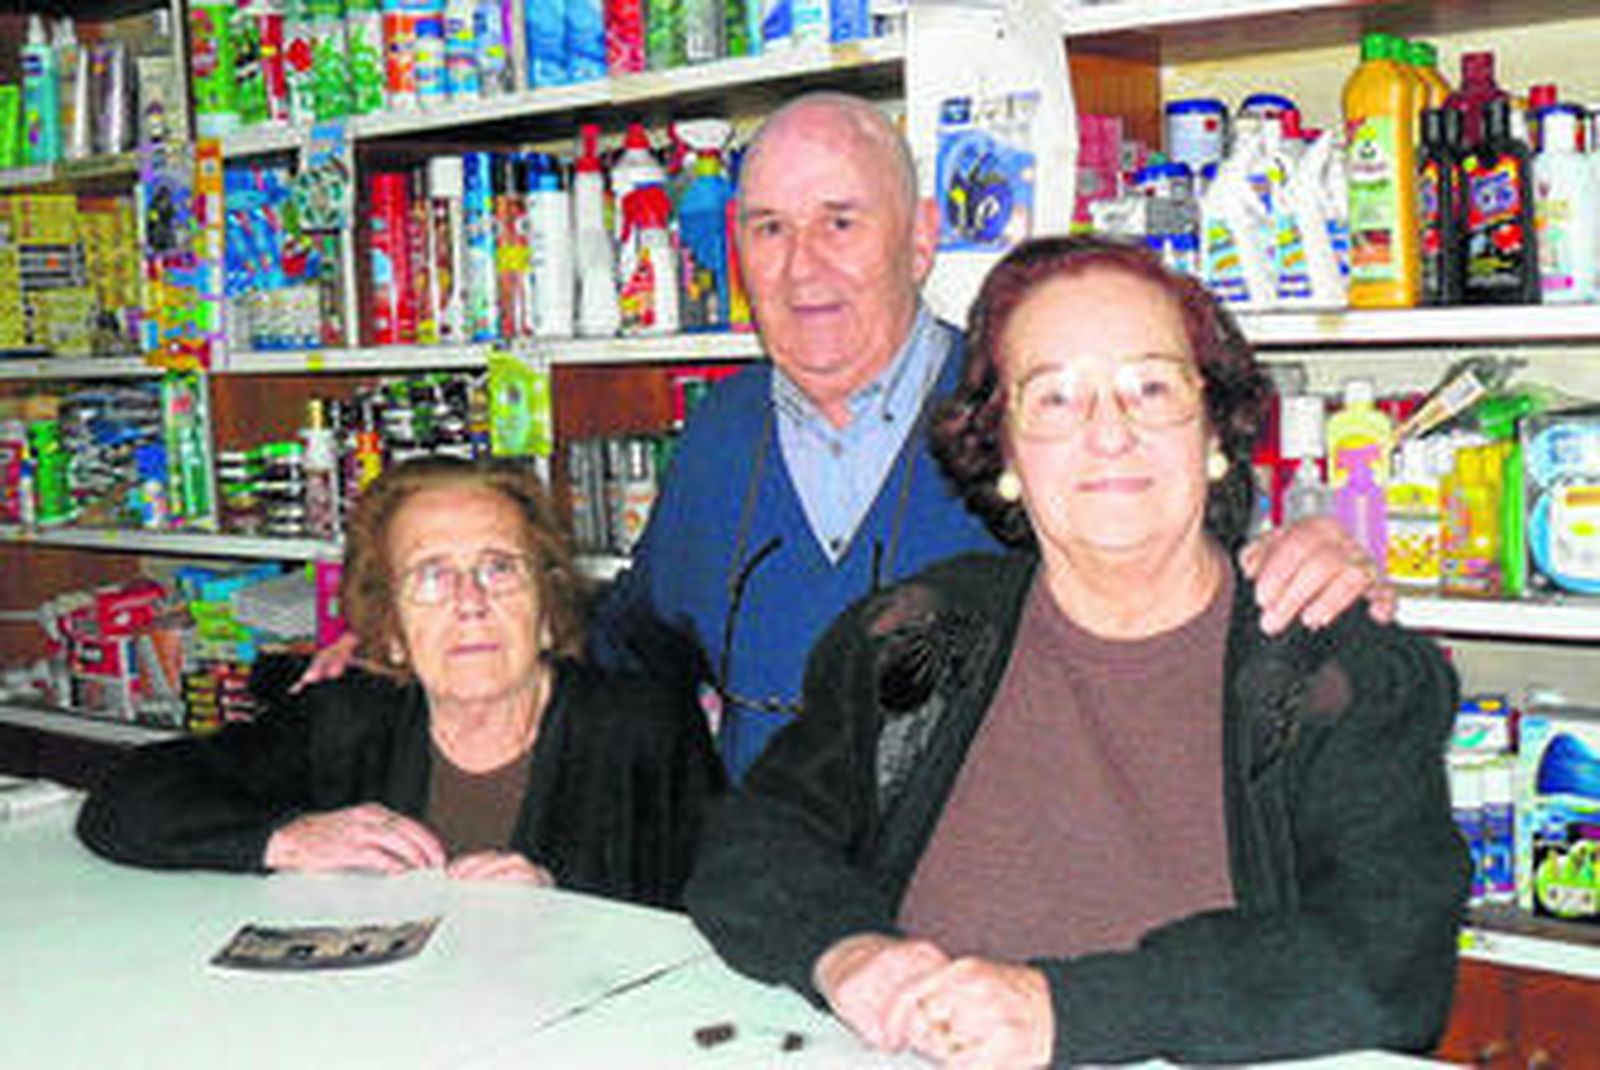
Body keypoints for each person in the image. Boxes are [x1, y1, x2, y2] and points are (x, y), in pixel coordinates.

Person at [302, 92, 1393, 782]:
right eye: (767, 228)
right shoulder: (722, 430)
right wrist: (422, 654)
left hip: (990, 923)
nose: (800, 265)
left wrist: (1303, 556)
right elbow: (629, 639)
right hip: (762, 902)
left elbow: (1187, 582)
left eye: (840, 221)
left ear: (920, 238)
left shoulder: (1023, 407)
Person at [684, 236, 1469, 1067]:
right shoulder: (920, 632)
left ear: (1213, 434)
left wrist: (1066, 1010)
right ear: (1006, 453)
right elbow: (755, 840)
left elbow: (1387, 958)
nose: (1109, 433)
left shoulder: (1332, 666)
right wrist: (847, 952)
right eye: (1056, 399)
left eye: (1152, 387)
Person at [77, 457, 723, 909]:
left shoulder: (643, 726)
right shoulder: (349, 717)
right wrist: (287, 839)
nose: (470, 602)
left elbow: (720, 907)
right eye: (432, 577)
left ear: (549, 609)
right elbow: (123, 801)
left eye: (499, 569)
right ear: (387, 628)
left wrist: (563, 913)